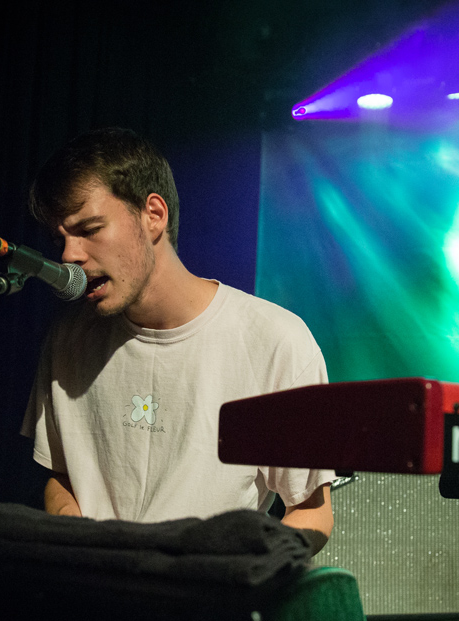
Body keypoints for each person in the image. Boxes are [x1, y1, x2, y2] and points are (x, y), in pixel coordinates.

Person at [21, 127, 334, 554]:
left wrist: (242, 571)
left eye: (89, 229)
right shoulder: (68, 336)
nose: (69, 256)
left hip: (207, 604)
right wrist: (82, 544)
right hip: (91, 601)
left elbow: (311, 511)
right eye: (61, 240)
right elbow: (60, 475)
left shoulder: (277, 341)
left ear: (154, 215)